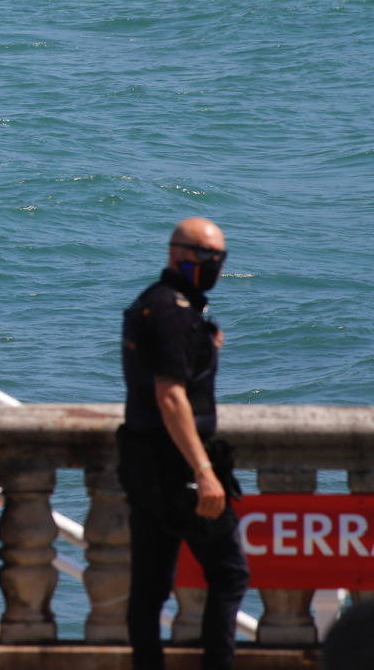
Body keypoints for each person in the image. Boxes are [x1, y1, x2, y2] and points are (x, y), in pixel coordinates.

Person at [117, 217, 249, 670]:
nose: (217, 266)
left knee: (151, 589)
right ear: (181, 255)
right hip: (179, 472)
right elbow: (170, 397)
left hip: (145, 467)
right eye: (211, 258)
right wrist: (204, 471)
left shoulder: (155, 306)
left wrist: (206, 344)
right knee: (230, 575)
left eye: (221, 258)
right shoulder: (174, 312)